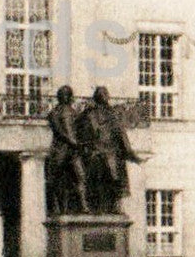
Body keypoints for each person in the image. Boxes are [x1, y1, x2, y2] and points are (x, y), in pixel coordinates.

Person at [75, 86, 141, 215]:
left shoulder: (87, 115)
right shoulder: (113, 115)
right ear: (107, 99)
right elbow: (122, 137)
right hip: (111, 156)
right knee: (118, 178)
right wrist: (132, 155)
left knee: (93, 185)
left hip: (92, 156)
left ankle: (95, 208)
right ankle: (116, 207)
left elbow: (78, 133)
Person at [45, 86, 87, 215]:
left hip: (73, 151)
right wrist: (72, 141)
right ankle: (58, 208)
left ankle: (84, 206)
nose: (69, 98)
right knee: (57, 180)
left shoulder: (74, 112)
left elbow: (80, 129)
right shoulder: (54, 113)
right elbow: (59, 131)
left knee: (81, 176)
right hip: (60, 150)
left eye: (69, 95)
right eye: (66, 95)